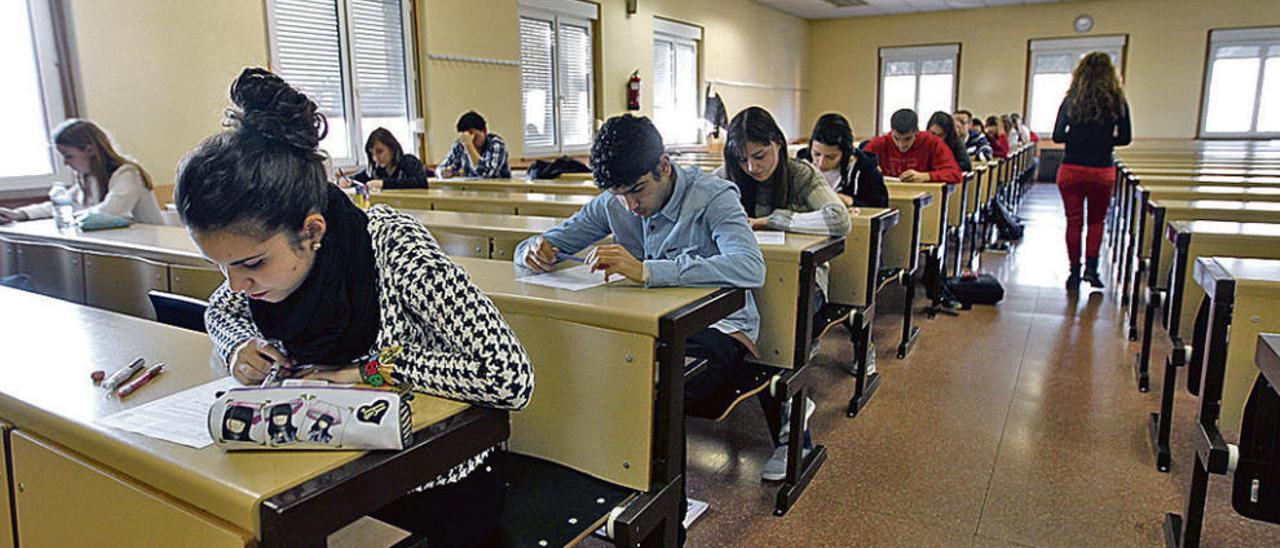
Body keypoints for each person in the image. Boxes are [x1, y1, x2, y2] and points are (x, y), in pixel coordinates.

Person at [175, 68, 533, 546]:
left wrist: (368, 371)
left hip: (429, 486)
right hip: (321, 472)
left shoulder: (391, 246)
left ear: (313, 231)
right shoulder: (260, 273)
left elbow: (509, 376)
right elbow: (221, 311)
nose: (237, 285)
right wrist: (238, 344)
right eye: (221, 268)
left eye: (251, 265)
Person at [514, 114, 800, 488]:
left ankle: (664, 511)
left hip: (720, 331)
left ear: (663, 165)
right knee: (586, 365)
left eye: (637, 190)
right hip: (647, 327)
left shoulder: (713, 196)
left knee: (649, 382)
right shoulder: (615, 201)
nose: (630, 206)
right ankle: (602, 482)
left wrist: (649, 270)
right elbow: (552, 241)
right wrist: (532, 250)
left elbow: (749, 267)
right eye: (619, 195)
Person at [1053, 52, 1132, 290]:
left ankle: (1074, 273)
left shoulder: (1071, 100)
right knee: (1097, 221)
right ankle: (1092, 269)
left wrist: (1077, 139)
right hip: (1101, 170)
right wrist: (1103, 141)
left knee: (1074, 222)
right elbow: (1126, 138)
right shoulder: (1117, 101)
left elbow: (1057, 136)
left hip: (1071, 169)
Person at [0, 120, 164, 225]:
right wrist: (20, 214)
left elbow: (110, 211)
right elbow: (63, 204)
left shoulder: (127, 173)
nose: (66, 163)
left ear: (90, 150)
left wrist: (69, 216)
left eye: (69, 156)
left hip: (149, 250)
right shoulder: (89, 178)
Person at [798, 112, 889, 208]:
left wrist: (850, 201)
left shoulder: (865, 168)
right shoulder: (801, 164)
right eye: (816, 154)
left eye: (830, 157)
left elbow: (880, 208)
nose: (821, 163)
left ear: (846, 153)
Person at [862, 109, 962, 184]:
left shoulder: (933, 143)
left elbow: (955, 174)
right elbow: (856, 168)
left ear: (917, 132)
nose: (902, 145)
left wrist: (927, 176)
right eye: (896, 139)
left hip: (923, 198)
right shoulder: (880, 143)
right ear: (891, 132)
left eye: (907, 139)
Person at [342, 128, 432, 190]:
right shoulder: (377, 170)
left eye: (380, 152)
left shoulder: (409, 162)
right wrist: (346, 180)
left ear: (392, 148)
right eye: (372, 154)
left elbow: (420, 182)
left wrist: (383, 184)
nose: (375, 158)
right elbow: (357, 178)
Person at [438, 111, 510, 179]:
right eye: (465, 135)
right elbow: (440, 169)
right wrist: (444, 172)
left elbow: (487, 174)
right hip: (471, 190)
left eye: (472, 134)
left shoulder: (496, 144)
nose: (470, 139)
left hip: (496, 190)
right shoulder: (460, 144)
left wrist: (469, 146)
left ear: (484, 131)